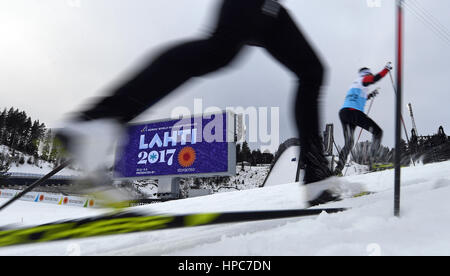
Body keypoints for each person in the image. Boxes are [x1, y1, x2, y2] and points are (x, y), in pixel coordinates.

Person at [57, 0, 334, 207]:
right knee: (219, 50)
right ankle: (98, 120)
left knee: (309, 70)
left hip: (270, 11)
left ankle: (316, 176)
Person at [334, 63, 393, 175]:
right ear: (367, 74)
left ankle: (338, 170)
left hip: (344, 113)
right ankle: (374, 160)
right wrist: (386, 69)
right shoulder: (363, 79)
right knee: (378, 132)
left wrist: (370, 95)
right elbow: (374, 79)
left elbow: (359, 97)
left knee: (349, 143)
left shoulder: (355, 84)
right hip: (354, 112)